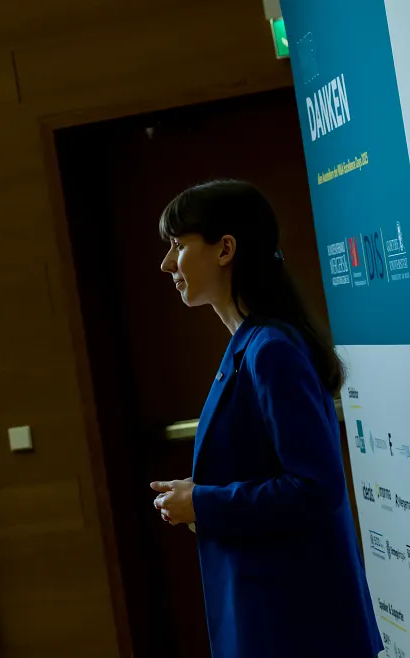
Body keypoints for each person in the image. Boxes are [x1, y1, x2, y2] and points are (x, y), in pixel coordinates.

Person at [151, 180, 382, 658]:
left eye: (178, 245)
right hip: (273, 612)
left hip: (298, 623)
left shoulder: (271, 350)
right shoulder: (252, 344)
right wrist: (200, 493)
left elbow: (314, 487)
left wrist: (204, 503)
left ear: (225, 249)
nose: (167, 263)